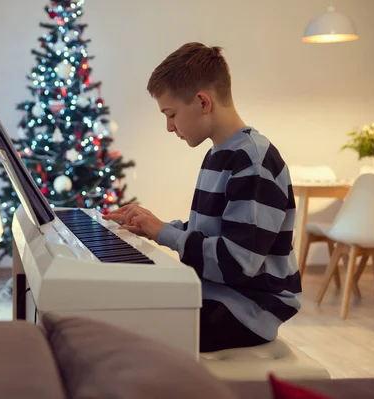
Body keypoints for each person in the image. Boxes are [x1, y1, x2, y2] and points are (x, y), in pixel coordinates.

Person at [103, 42, 302, 353]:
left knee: (131, 335)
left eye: (171, 114)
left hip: (248, 308)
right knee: (117, 309)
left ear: (202, 102)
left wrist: (163, 233)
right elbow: (217, 233)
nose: (169, 127)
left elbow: (236, 263)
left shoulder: (253, 160)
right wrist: (153, 226)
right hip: (222, 294)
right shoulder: (219, 154)